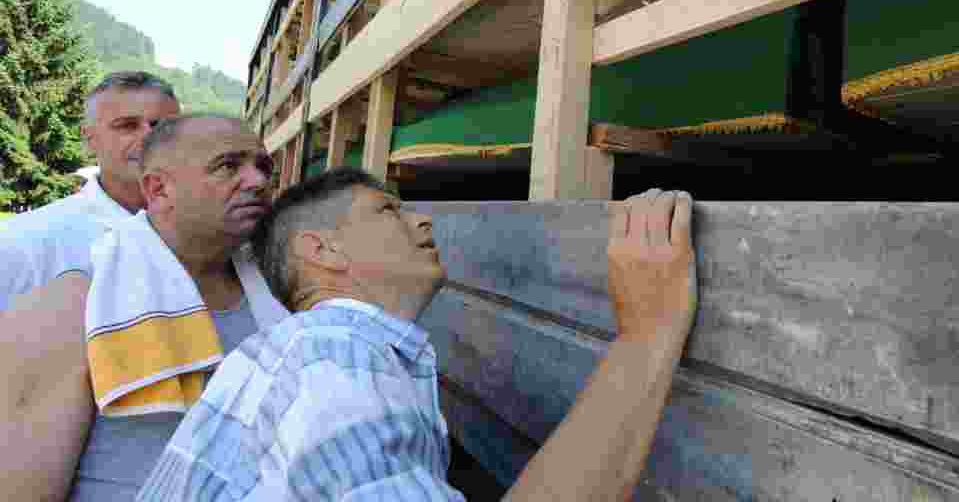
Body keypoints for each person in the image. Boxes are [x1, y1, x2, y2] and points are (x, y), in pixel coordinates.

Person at [136, 166, 698, 501]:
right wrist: (646, 334)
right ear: (322, 250)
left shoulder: (301, 353)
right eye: (389, 212)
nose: (422, 221)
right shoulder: (334, 360)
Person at [0, 114, 289, 501]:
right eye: (228, 166)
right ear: (158, 189)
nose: (258, 182)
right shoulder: (72, 308)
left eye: (263, 167)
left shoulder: (280, 296)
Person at [0, 70, 180, 312]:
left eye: (161, 126)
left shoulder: (216, 232)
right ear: (89, 138)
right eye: (127, 125)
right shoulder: (23, 242)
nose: (149, 136)